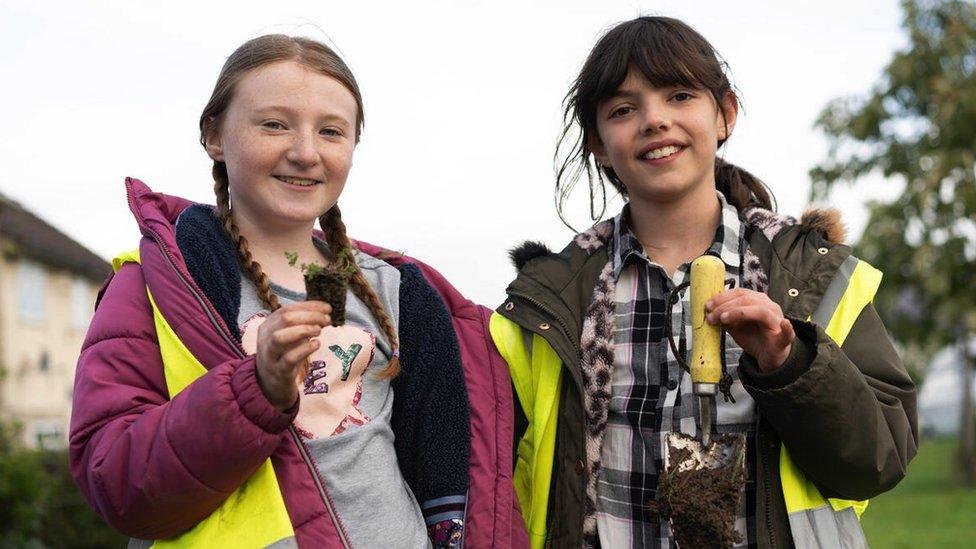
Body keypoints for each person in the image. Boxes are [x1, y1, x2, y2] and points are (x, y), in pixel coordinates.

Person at [70, 35, 526, 549]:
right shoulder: (151, 286)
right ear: (214, 135)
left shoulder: (401, 293)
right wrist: (256, 389)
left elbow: (449, 470)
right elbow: (115, 481)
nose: (305, 152)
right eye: (274, 124)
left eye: (331, 131)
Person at [489, 16, 917, 549]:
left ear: (725, 115)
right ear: (599, 143)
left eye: (680, 95)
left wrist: (789, 363)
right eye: (623, 110)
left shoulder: (810, 275)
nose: (654, 120)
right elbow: (497, 474)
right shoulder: (553, 298)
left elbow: (878, 462)